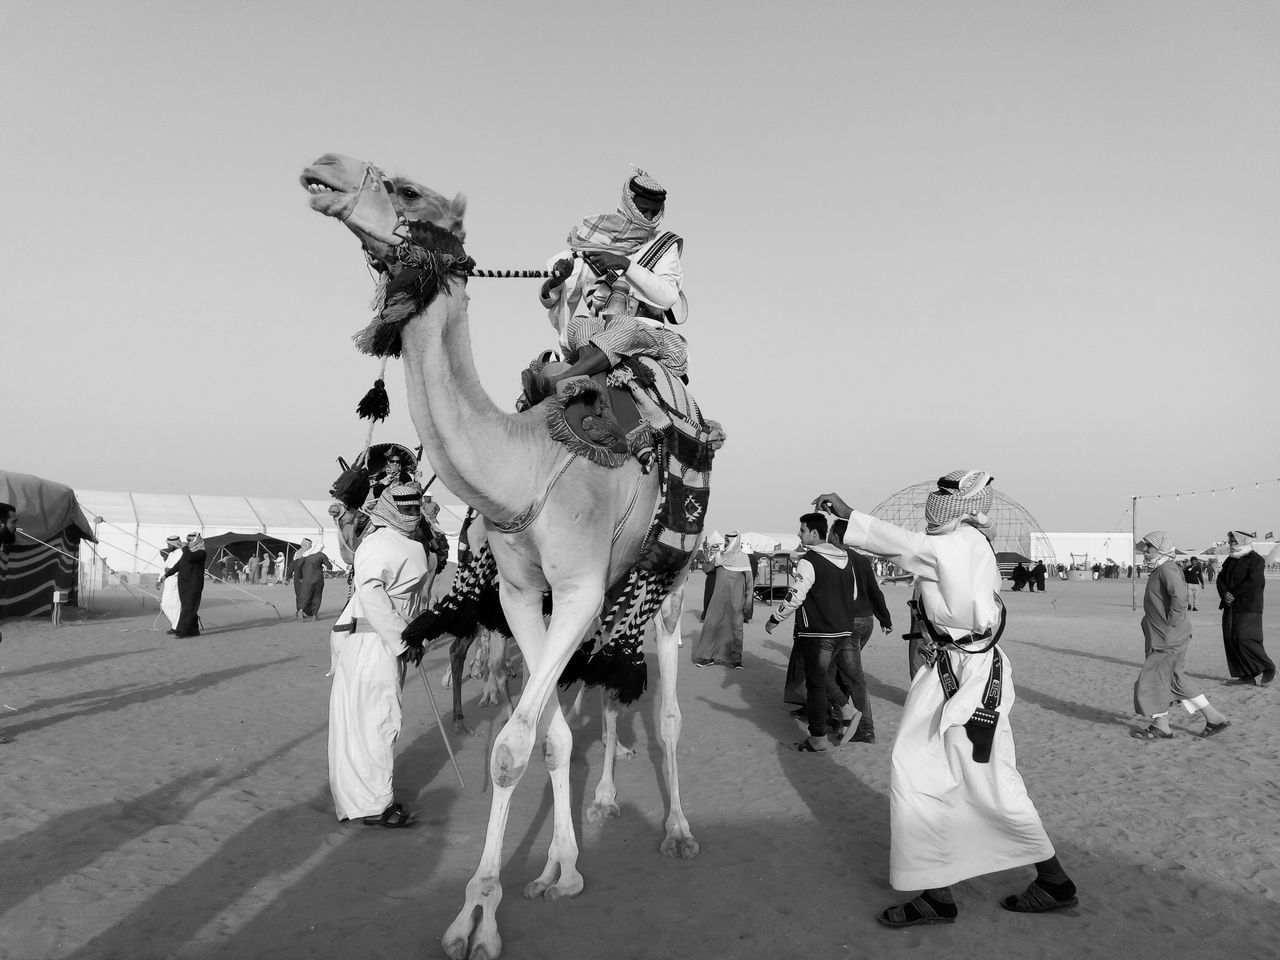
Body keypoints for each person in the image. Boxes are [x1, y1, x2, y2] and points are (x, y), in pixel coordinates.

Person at [814, 474, 1079, 927]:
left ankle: (1052, 880)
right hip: (950, 670)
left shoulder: (960, 542)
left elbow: (904, 546)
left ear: (965, 506)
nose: (936, 504)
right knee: (925, 769)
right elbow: (913, 552)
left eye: (946, 497)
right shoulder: (958, 540)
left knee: (987, 778)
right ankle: (939, 891)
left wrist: (844, 520)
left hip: (970, 676)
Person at [526, 170, 687, 403]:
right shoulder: (593, 242)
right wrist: (557, 280)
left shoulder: (663, 245)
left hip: (645, 331)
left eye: (655, 212)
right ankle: (590, 377)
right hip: (598, 330)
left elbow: (667, 297)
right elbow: (551, 297)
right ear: (629, 205)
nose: (650, 218)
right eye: (643, 211)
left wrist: (625, 265)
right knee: (579, 324)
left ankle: (560, 382)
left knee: (623, 328)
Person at [328, 483, 432, 827]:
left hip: (378, 641)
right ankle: (374, 806)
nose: (414, 511)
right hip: (374, 643)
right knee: (378, 721)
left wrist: (411, 636)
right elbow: (371, 593)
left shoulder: (396, 543)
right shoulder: (380, 543)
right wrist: (403, 641)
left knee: (369, 721)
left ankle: (366, 802)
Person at [765, 513, 863, 752]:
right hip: (843, 630)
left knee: (816, 684)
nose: (799, 534)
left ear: (814, 533)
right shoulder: (845, 559)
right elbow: (853, 594)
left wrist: (775, 618)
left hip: (819, 633)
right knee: (824, 674)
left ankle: (817, 738)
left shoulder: (809, 561)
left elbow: (795, 595)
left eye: (802, 530)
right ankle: (847, 709)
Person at [1131, 531, 1230, 740]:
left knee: (1151, 680)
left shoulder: (1166, 569)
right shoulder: (1162, 568)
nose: (1145, 551)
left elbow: (1180, 597)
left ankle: (1161, 726)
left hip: (1167, 638)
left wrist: (1171, 625)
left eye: (1149, 547)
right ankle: (1214, 718)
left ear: (1161, 549)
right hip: (1165, 635)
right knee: (1176, 679)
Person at [1217, 531, 1274, 686]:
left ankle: (1267, 667)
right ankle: (1246, 676)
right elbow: (1220, 579)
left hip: (1249, 605)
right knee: (1231, 639)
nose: (1231, 544)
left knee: (1245, 638)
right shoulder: (1230, 559)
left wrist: (1233, 594)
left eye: (1234, 541)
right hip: (1230, 605)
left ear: (1243, 541)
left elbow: (1254, 582)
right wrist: (1224, 593)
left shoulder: (1255, 560)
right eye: (1230, 541)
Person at [692, 532, 754, 669]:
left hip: (735, 601)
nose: (725, 542)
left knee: (735, 628)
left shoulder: (743, 558)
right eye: (725, 540)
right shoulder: (720, 556)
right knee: (711, 625)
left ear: (735, 541)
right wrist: (707, 555)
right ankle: (708, 657)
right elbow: (707, 569)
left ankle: (736, 660)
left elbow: (750, 582)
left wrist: (748, 600)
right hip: (717, 600)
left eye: (728, 540)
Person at [159, 533, 206, 638]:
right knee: (189, 608)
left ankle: (181, 632)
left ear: (196, 541)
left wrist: (184, 548)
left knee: (188, 608)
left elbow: (190, 558)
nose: (188, 542)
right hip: (184, 584)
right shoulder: (188, 552)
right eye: (187, 540)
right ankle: (194, 631)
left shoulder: (201, 553)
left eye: (190, 541)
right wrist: (166, 575)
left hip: (193, 585)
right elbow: (179, 565)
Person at [291, 538, 335, 620]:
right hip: (318, 578)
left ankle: (300, 610)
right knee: (317, 596)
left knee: (305, 595)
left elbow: (298, 566)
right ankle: (314, 615)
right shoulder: (322, 555)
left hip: (307, 579)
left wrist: (300, 576)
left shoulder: (305, 555)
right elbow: (330, 567)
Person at [157, 535, 183, 634]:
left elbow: (182, 567)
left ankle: (176, 627)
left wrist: (172, 571)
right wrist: (159, 580)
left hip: (176, 581)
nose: (167, 546)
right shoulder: (171, 554)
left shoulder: (182, 553)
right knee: (165, 604)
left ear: (173, 544)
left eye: (168, 544)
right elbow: (164, 567)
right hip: (168, 581)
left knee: (175, 604)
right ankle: (176, 624)